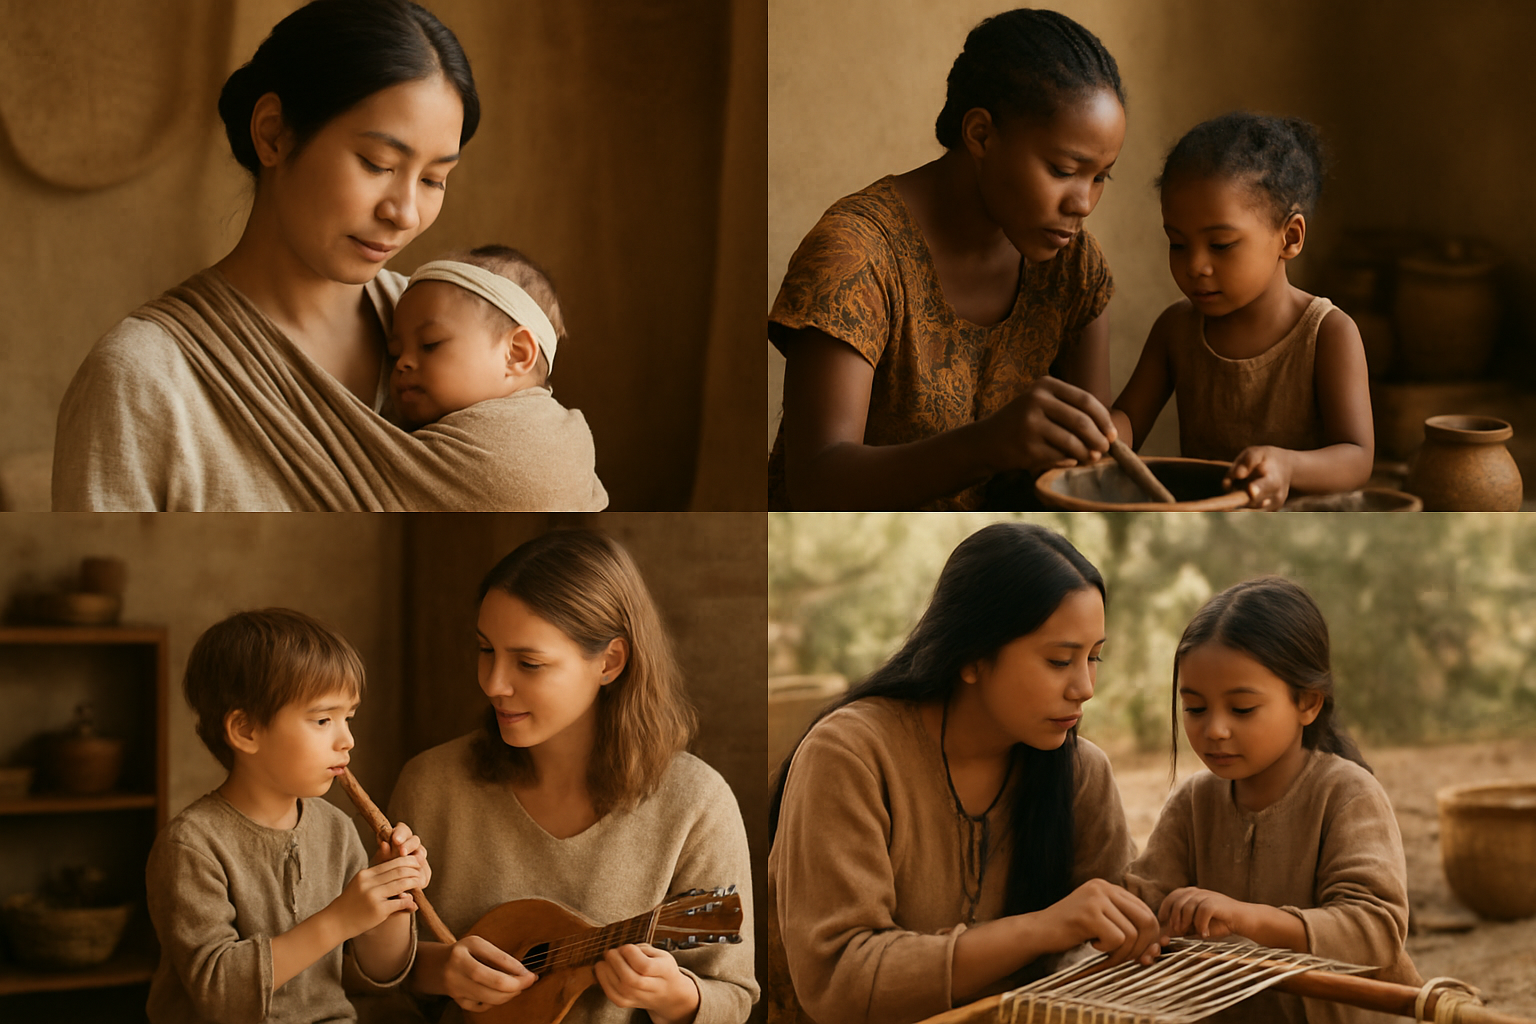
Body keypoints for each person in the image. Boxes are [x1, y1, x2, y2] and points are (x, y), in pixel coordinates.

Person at [52, 0, 576, 511]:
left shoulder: (449, 326)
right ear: (273, 134)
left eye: (435, 179)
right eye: (376, 163)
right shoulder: (144, 378)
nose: (406, 212)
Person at [768, 522, 1158, 1024]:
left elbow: (1120, 954)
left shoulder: (1083, 773)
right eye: (1060, 660)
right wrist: (1043, 928)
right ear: (971, 657)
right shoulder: (851, 754)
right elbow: (841, 981)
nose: (1085, 686)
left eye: (1094, 656)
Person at [388, 530, 757, 1023]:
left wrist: (678, 997)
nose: (493, 683)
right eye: (484, 649)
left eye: (528, 662)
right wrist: (436, 970)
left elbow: (734, 995)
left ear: (610, 662)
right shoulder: (431, 784)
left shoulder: (697, 803)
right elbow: (358, 973)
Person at [770, 9, 1127, 511]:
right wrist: (985, 445)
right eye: (1063, 169)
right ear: (980, 134)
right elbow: (815, 485)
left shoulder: (1073, 264)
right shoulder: (856, 254)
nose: (1083, 203)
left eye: (1100, 177)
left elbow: (1091, 468)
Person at [1125, 577, 1420, 1024]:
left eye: (1241, 709)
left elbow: (1374, 929)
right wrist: (1127, 918)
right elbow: (1148, 899)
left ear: (1307, 702)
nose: (1215, 730)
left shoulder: (1346, 793)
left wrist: (1247, 919)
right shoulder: (1192, 803)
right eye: (1195, 708)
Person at [145, 609, 429, 1023]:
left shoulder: (336, 829)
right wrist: (338, 920)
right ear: (246, 731)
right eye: (322, 719)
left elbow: (378, 974)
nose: (346, 739)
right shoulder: (192, 845)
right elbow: (219, 994)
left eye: (348, 718)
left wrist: (392, 897)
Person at [1110, 113, 1374, 509]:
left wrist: (1287, 466)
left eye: (1220, 245)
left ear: (1290, 237)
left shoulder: (1327, 333)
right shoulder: (1175, 330)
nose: (1195, 265)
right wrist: (1100, 434)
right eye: (1177, 244)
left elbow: (1357, 457)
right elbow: (1128, 421)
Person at [387, 244, 607, 508]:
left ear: (516, 354)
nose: (402, 363)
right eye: (394, 352)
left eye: (430, 344)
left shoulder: (547, 443)